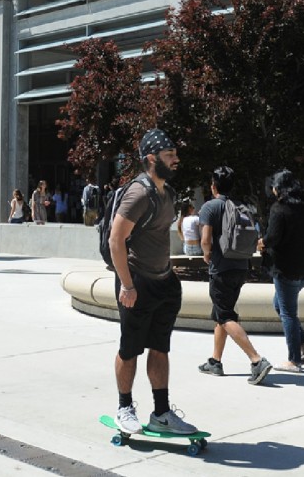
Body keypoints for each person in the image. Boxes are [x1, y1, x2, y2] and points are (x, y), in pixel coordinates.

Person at [109, 129, 198, 436]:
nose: (176, 159)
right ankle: (124, 407)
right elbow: (115, 240)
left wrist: (169, 273)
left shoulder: (167, 193)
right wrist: (127, 285)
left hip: (164, 282)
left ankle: (161, 413)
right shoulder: (138, 193)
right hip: (138, 284)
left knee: (160, 348)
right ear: (151, 159)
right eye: (169, 155)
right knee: (130, 349)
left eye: (175, 153)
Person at [198, 166, 271, 385]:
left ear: (213, 186)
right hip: (241, 266)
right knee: (221, 313)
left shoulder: (210, 207)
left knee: (225, 316)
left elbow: (205, 239)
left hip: (221, 268)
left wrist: (207, 255)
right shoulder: (241, 206)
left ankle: (256, 360)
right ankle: (215, 361)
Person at [259, 170, 304, 372]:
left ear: (279, 188)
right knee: (280, 305)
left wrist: (262, 243)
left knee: (288, 314)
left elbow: (273, 237)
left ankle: (294, 360)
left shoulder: (279, 208)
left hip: (286, 268)